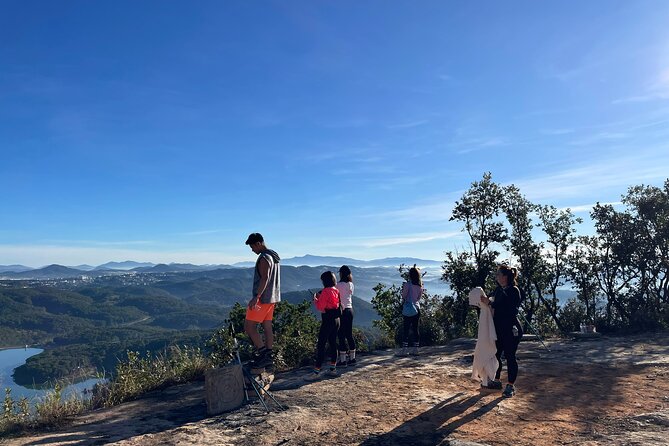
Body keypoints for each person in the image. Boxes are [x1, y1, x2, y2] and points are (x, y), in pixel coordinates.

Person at [480, 265, 523, 398]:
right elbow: (493, 301)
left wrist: (491, 303)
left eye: (498, 274)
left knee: (510, 356)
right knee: (496, 354)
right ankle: (496, 381)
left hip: (511, 328)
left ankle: (510, 385)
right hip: (499, 328)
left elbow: (507, 307)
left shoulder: (514, 290)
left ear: (505, 276)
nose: (496, 277)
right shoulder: (499, 290)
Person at [244, 233, 281, 371]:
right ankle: (269, 357)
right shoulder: (274, 256)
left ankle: (263, 354)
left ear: (259, 243)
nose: (252, 249)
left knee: (249, 327)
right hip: (272, 298)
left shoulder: (264, 258)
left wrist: (257, 296)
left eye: (252, 246)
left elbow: (265, 278)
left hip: (263, 298)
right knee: (267, 326)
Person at [305, 271, 341, 380]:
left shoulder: (325, 291)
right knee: (333, 343)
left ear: (324, 281)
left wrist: (315, 300)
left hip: (328, 320)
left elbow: (321, 307)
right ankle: (333, 369)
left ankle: (316, 372)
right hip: (337, 320)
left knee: (321, 345)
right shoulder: (336, 290)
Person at [398, 265, 424, 356]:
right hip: (417, 308)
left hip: (408, 308)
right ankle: (416, 349)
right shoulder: (420, 286)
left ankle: (404, 350)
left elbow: (404, 296)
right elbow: (419, 298)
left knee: (406, 329)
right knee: (415, 328)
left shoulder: (407, 285)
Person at [336, 265, 356, 367]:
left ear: (341, 273)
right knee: (349, 334)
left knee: (341, 335)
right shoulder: (351, 284)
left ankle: (343, 360)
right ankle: (353, 358)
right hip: (350, 310)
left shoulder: (338, 285)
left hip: (342, 311)